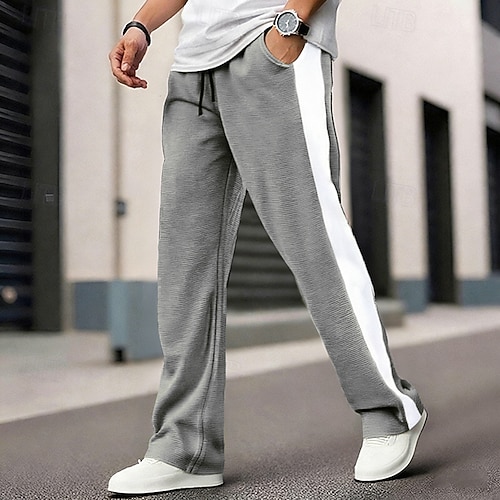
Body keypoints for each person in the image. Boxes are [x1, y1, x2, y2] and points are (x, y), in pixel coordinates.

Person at [107, 0, 427, 494]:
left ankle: (389, 409)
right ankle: (184, 446)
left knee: (313, 238)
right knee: (185, 266)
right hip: (192, 73)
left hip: (271, 48)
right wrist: (141, 27)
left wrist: (292, 24)